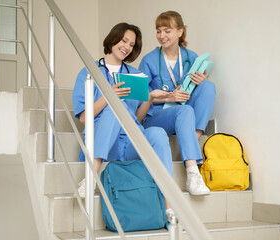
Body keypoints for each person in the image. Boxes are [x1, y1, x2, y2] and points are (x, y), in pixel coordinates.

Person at [72, 23, 175, 220]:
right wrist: (109, 96)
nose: (126, 46)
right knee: (114, 110)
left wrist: (149, 98)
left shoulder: (136, 75)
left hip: (129, 141)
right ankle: (90, 177)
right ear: (113, 39)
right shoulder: (88, 72)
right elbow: (85, 118)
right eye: (123, 40)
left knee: (158, 133)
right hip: (102, 143)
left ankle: (170, 208)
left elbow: (137, 118)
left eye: (131, 44)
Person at [139, 11, 216, 196]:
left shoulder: (191, 57)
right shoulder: (148, 60)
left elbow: (194, 89)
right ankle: (192, 173)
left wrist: (201, 80)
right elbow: (140, 98)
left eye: (167, 30)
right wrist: (168, 97)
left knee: (208, 86)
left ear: (180, 31)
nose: (162, 36)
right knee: (185, 111)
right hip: (156, 117)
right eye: (158, 31)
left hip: (184, 114)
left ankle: (192, 138)